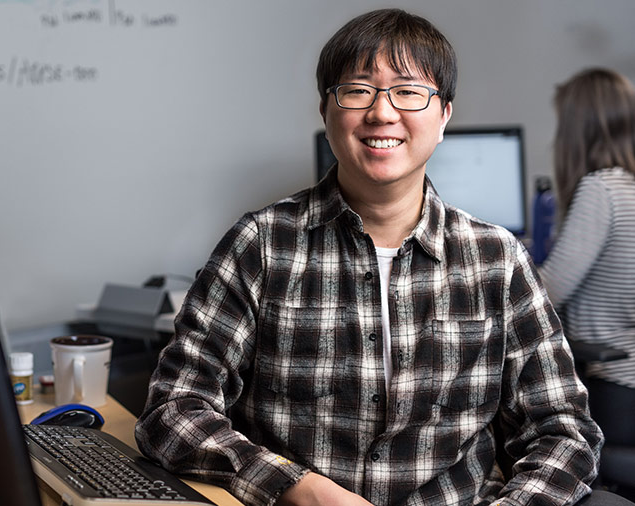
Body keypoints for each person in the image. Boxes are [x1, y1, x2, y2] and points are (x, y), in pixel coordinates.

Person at [134, 8, 603, 506]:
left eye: (408, 91)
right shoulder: (262, 245)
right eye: (358, 90)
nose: (382, 113)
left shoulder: (497, 260)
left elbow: (564, 433)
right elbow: (173, 409)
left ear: (444, 114)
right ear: (325, 109)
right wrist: (295, 486)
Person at [539, 68, 635, 485]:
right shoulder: (629, 186)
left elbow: (546, 292)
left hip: (617, 387)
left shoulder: (602, 188)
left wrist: (489, 272)